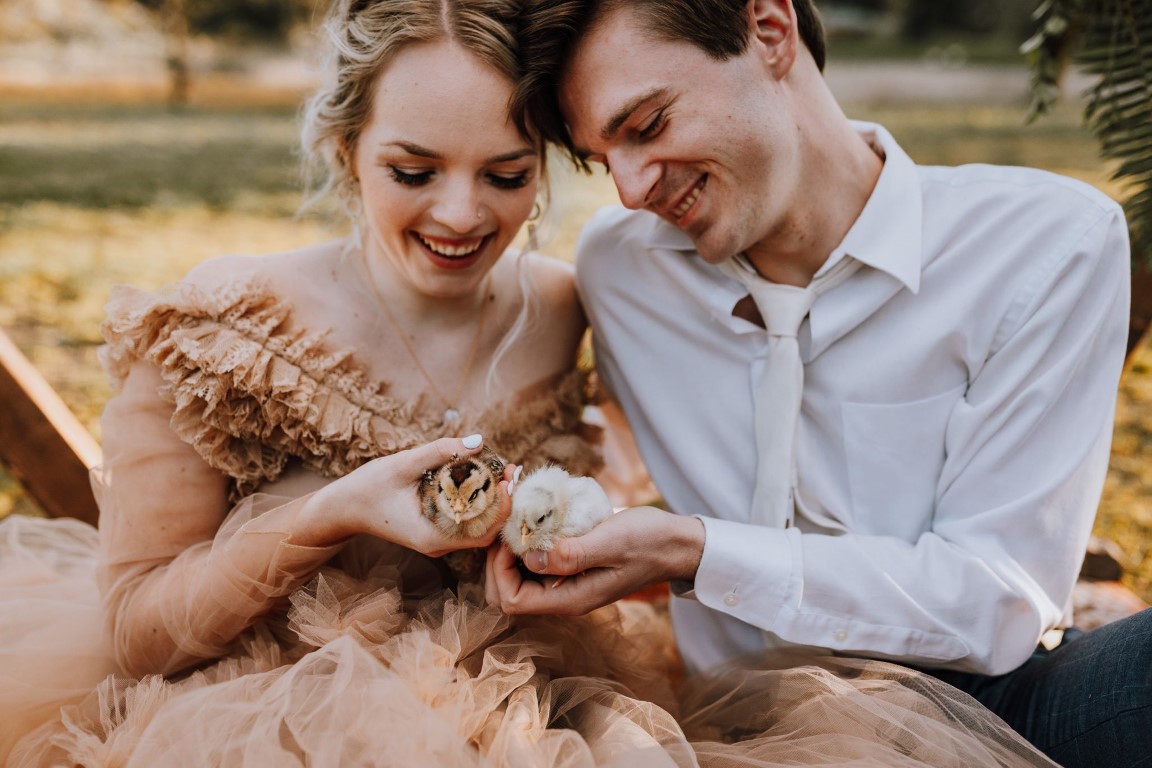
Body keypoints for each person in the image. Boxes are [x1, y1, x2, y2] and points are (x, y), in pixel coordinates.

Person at [487, 0, 1150, 766]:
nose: (631, 190)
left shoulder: (1044, 249)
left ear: (769, 31)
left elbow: (995, 602)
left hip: (986, 708)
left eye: (648, 125)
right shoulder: (620, 267)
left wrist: (700, 553)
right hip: (728, 721)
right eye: (603, 159)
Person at [0, 0, 663, 763]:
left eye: (506, 174)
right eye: (412, 171)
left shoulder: (564, 309)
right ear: (347, 148)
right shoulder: (228, 334)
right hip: (262, 729)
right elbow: (138, 641)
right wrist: (329, 516)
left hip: (530, 714)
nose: (462, 214)